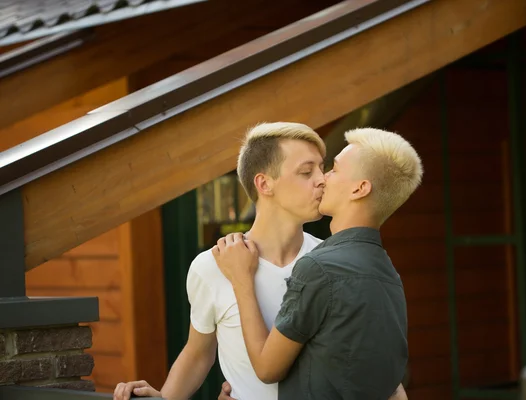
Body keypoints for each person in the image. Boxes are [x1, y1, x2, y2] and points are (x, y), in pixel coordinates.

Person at [113, 122, 407, 400]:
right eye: (306, 172)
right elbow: (198, 353)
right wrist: (164, 398)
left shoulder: (335, 267)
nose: (321, 179)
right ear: (264, 184)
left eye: (323, 167)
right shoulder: (211, 266)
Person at [213, 127, 422, 399]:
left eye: (333, 169)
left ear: (360, 189)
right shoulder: (389, 275)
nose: (323, 179)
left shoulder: (318, 267)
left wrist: (242, 279)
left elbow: (266, 369)